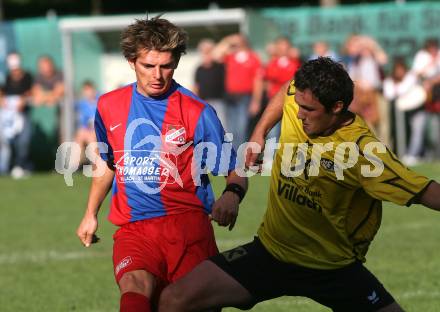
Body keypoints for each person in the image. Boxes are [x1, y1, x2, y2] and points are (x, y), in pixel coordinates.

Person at [158, 57, 440, 312]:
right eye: (299, 105)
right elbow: (287, 90)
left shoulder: (364, 151)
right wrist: (259, 133)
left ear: (337, 107)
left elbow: (426, 191)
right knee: (175, 300)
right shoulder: (302, 97)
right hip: (271, 254)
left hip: (334, 269)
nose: (299, 113)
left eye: (308, 109)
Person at [76, 16, 247, 312]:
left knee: (176, 305)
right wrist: (90, 213)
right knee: (134, 286)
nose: (158, 75)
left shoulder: (197, 112)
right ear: (132, 62)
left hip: (187, 228)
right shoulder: (108, 105)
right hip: (135, 228)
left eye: (166, 66)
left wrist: (232, 194)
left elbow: (236, 168)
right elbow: (107, 163)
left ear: (176, 63)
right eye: (148, 66)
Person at [213, 33, 262, 149]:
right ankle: (232, 154)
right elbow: (215, 55)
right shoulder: (231, 56)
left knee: (241, 128)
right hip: (230, 96)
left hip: (245, 97)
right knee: (230, 128)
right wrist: (227, 40)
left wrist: (256, 101)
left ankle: (240, 155)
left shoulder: (253, 57)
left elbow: (258, 81)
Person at [0, 52, 33, 178]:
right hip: (9, 116)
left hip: (23, 114)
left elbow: (31, 91)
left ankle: (22, 165)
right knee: (9, 142)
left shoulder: (28, 77)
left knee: (24, 141)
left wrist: (24, 99)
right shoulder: (8, 78)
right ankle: (10, 166)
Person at [193, 39, 226, 126]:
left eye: (209, 51)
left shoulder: (220, 66)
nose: (206, 54)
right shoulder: (199, 69)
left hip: (219, 101)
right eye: (204, 52)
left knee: (220, 124)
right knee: (206, 124)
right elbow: (196, 86)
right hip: (204, 101)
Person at [74, 80, 99, 166]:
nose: (88, 92)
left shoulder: (100, 100)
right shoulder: (82, 104)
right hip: (87, 130)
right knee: (80, 136)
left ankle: (96, 164)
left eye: (89, 89)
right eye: (85, 90)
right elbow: (83, 122)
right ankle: (76, 164)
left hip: (98, 130)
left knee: (91, 138)